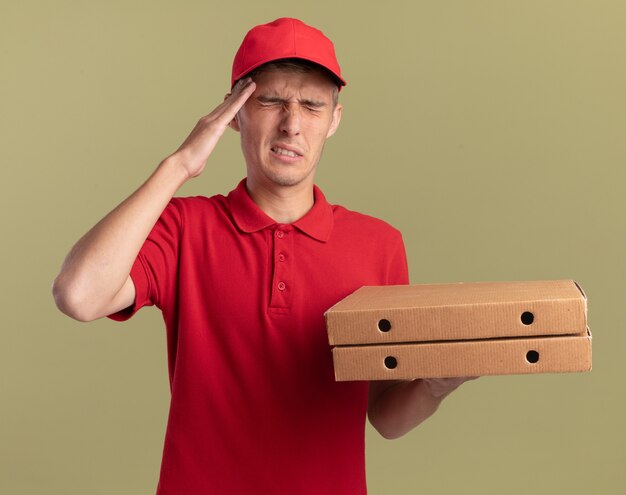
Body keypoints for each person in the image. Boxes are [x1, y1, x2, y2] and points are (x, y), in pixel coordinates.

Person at [53, 17, 474, 494]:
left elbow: (385, 417)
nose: (292, 124)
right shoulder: (182, 227)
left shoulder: (379, 245)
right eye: (270, 100)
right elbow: (78, 295)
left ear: (334, 120)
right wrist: (179, 165)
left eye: (312, 105)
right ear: (233, 114)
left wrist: (438, 384)